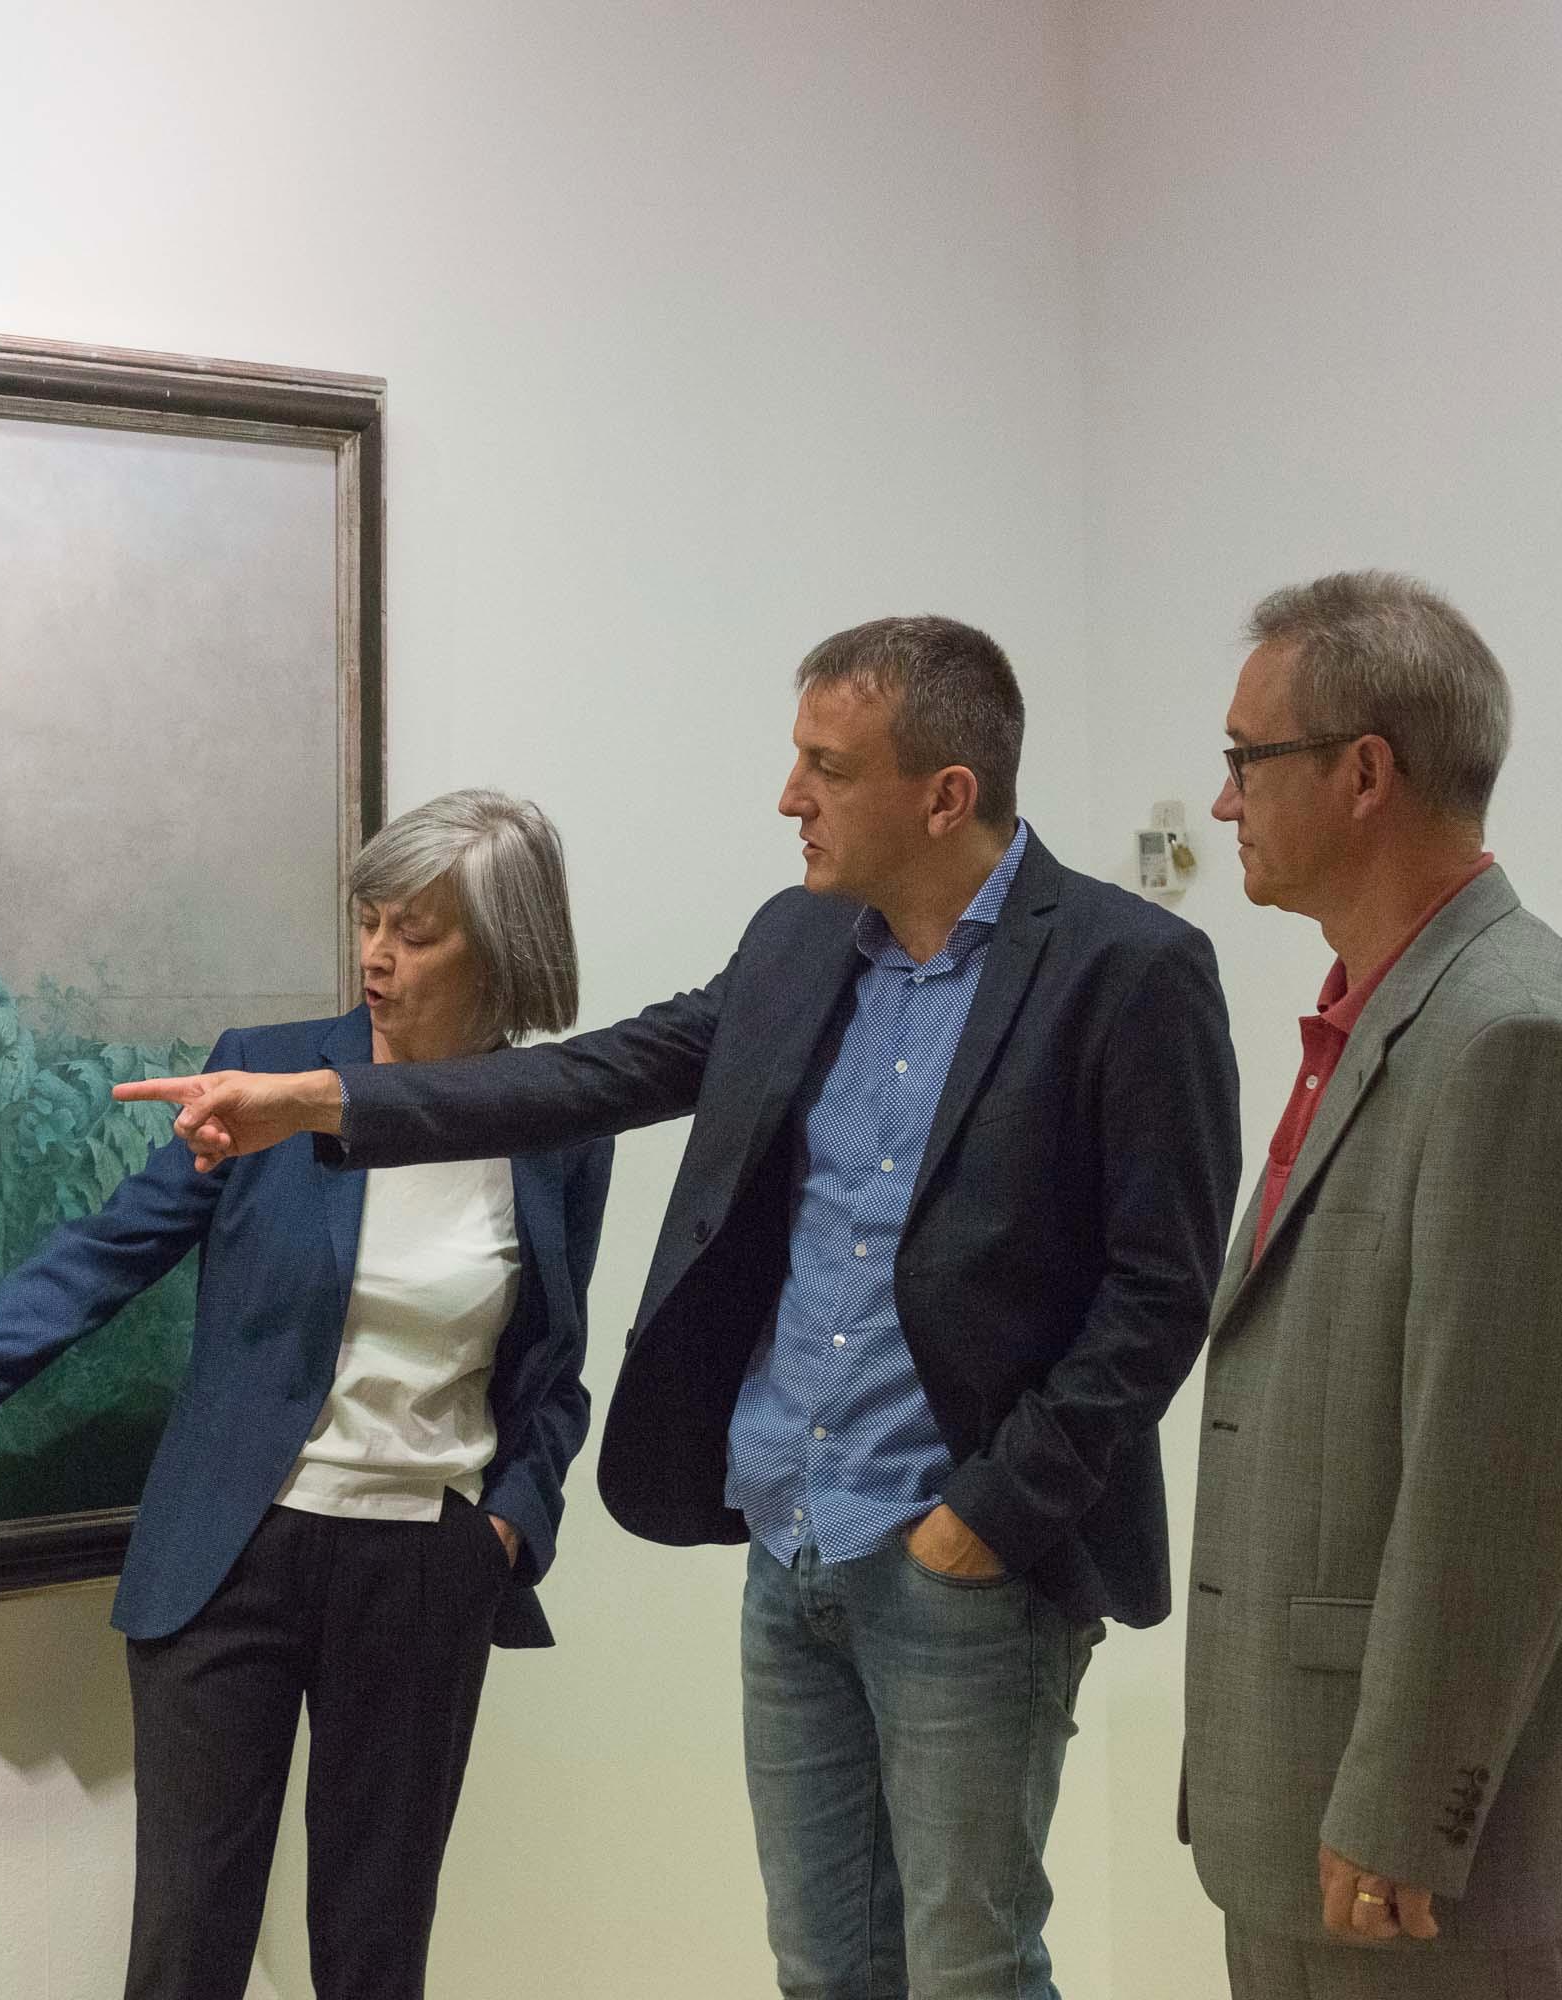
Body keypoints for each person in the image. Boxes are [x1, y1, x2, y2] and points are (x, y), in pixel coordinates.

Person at [121, 617, 1242, 2000]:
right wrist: (322, 1100)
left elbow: (1160, 1290)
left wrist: (990, 1515)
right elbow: (595, 1074)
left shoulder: (1129, 969)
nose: (789, 797)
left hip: (967, 1562)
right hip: (794, 1539)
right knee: (824, 1969)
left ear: (945, 795)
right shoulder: (798, 940)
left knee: (972, 1970)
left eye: (827, 769)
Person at [0, 789, 611, 2000]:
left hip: (424, 1570)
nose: (377, 954)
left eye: (417, 931)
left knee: (375, 1954)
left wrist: (512, 1521)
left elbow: (552, 1366)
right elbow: (108, 1250)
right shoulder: (265, 1072)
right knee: (186, 1946)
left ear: (504, 947)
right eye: (370, 919)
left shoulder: (561, 1124)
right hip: (233, 1554)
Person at [1184, 571, 1562, 1998]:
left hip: (1411, 1860)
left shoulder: (1510, 1035)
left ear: (1362, 774)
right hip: (1296, 1800)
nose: (1223, 800)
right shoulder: (1384, 1013)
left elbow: (1500, 1477)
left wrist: (1408, 1801)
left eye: (1246, 759)